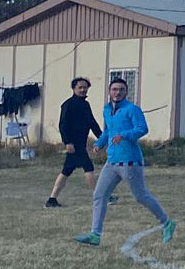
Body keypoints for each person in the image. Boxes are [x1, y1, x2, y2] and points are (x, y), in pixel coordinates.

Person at [74, 77, 174, 247]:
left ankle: (167, 223)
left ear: (126, 92)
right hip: (112, 161)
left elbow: (142, 129)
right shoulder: (107, 110)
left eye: (121, 89)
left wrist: (125, 135)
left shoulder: (132, 109)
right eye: (114, 89)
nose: (117, 92)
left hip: (129, 161)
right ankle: (95, 234)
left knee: (140, 196)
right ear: (109, 91)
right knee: (99, 195)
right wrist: (99, 143)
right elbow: (108, 131)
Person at [46, 77, 101, 208]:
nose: (83, 90)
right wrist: (67, 142)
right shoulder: (68, 104)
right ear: (74, 89)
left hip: (81, 143)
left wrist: (102, 137)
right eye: (80, 87)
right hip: (74, 144)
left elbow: (92, 122)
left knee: (66, 171)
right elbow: (63, 125)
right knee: (88, 168)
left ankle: (52, 199)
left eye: (85, 87)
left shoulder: (85, 105)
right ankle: (100, 197)